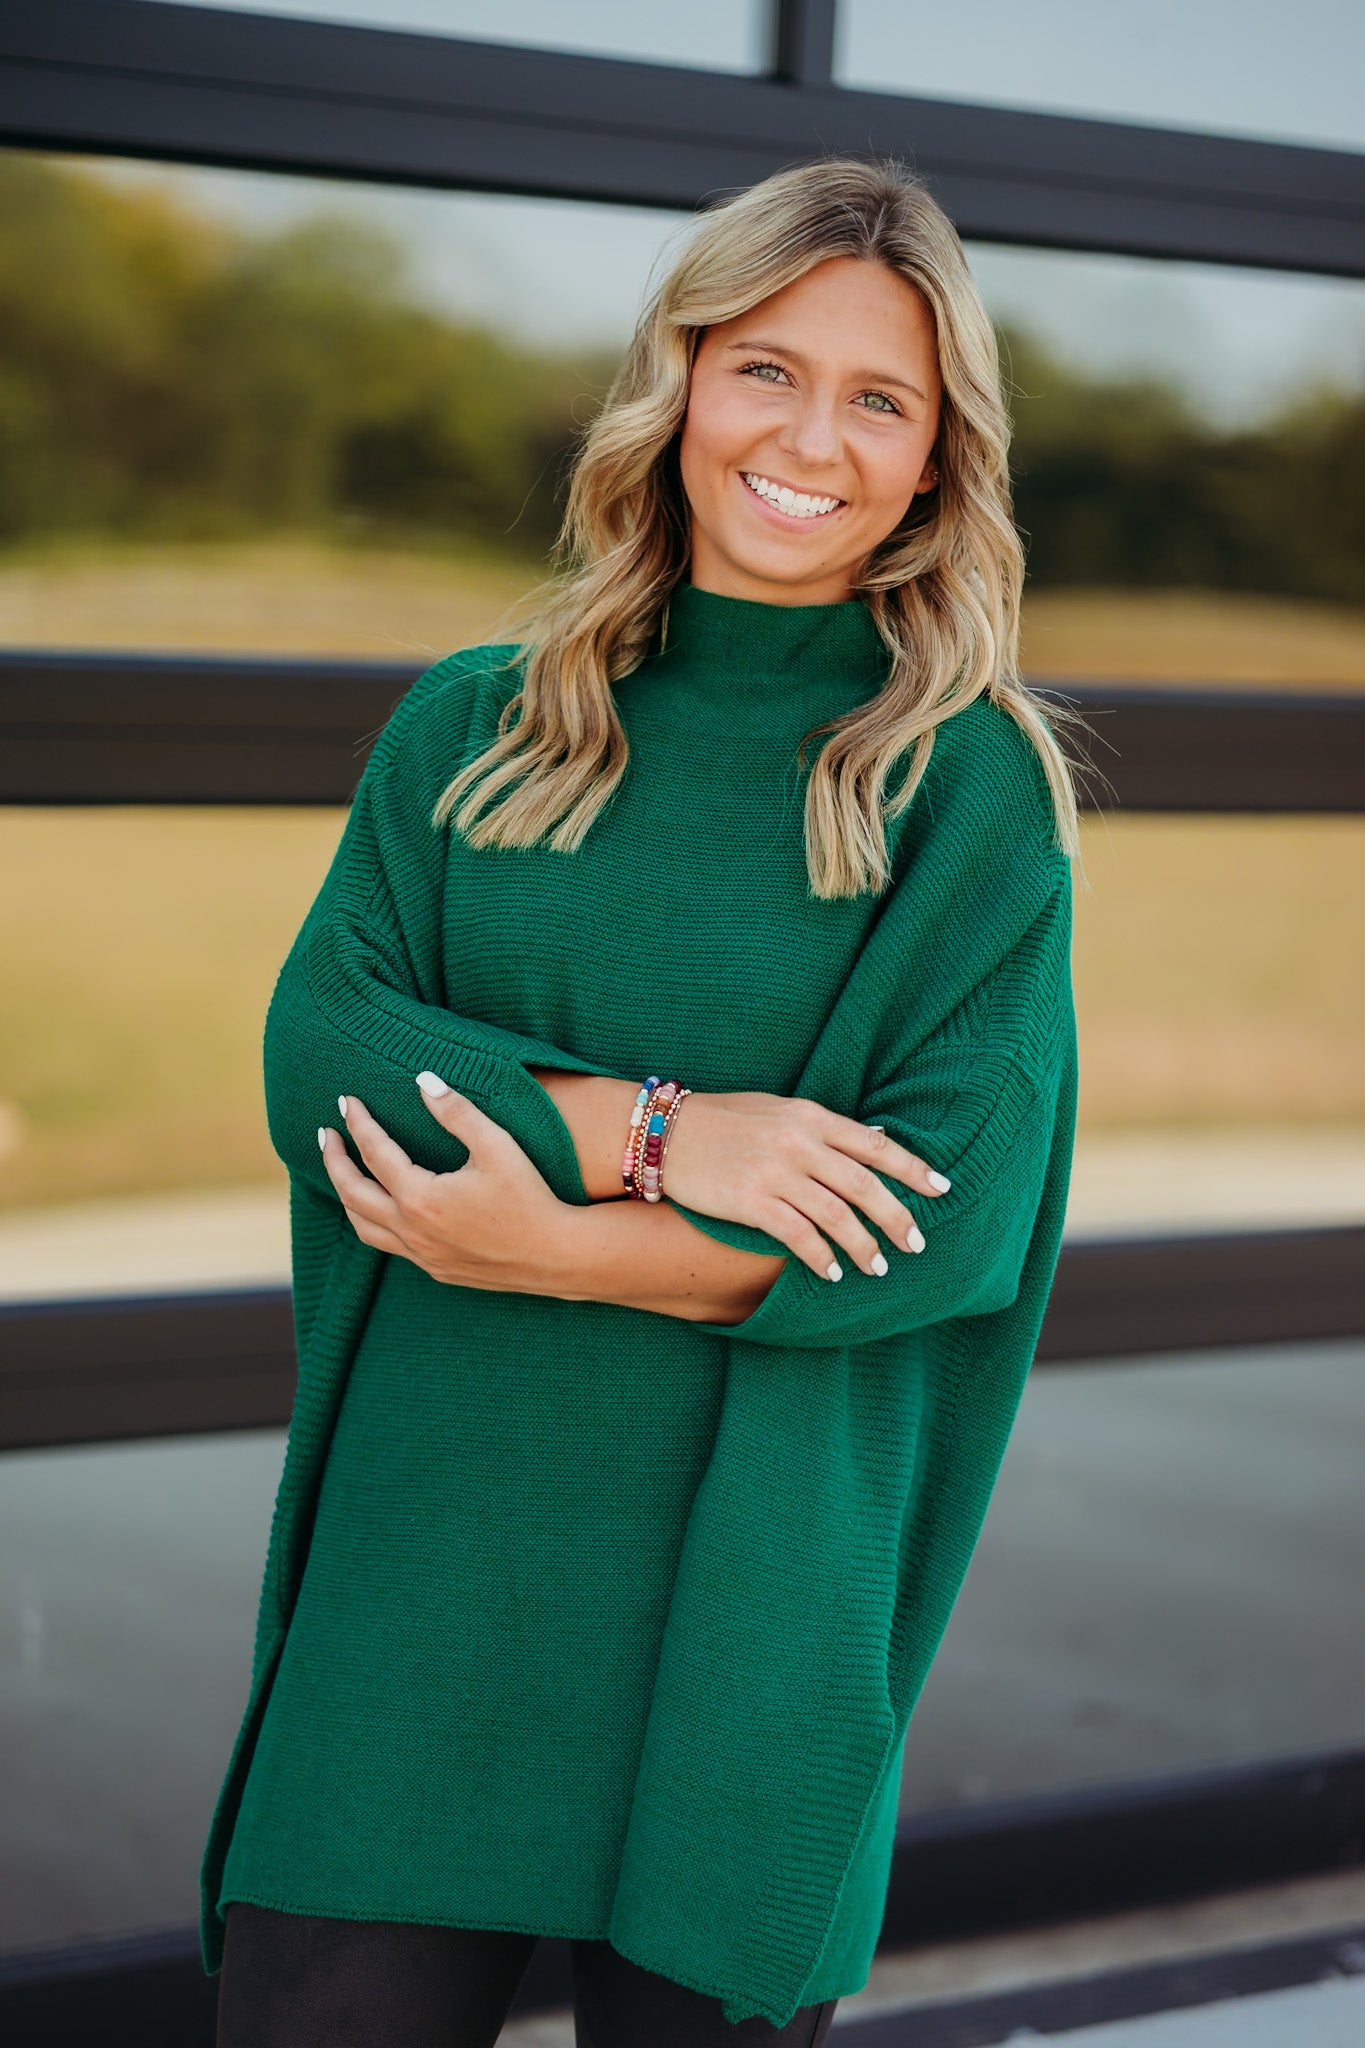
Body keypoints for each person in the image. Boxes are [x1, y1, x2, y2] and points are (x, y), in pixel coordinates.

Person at [202, 153, 1085, 2047]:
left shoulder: (967, 793)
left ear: (938, 458)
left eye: (879, 399)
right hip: (422, 1587)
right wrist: (672, 1134)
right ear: (676, 380)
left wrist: (544, 1243)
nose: (811, 438)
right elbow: (323, 1056)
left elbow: (940, 1222)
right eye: (764, 368)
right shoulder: (473, 721)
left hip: (743, 1621)